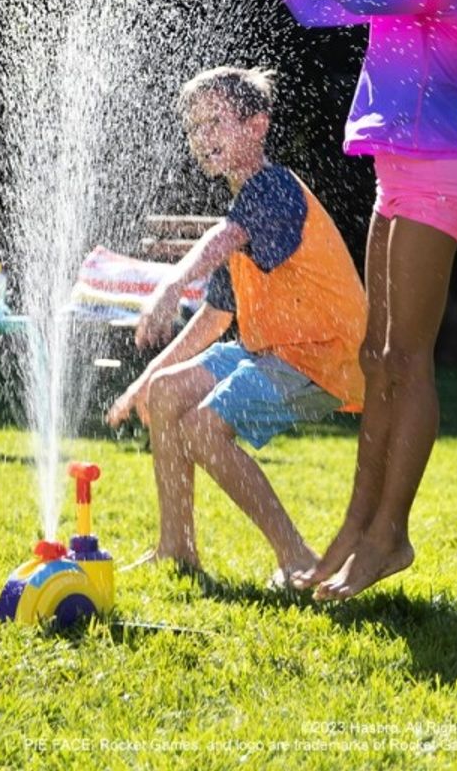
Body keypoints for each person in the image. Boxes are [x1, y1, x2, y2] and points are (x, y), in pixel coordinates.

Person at [194, 0, 457, 599]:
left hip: (437, 185)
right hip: (395, 186)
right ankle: (355, 530)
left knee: (407, 361)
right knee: (376, 361)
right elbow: (316, 6)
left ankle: (388, 536)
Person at [106, 67, 366, 587]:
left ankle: (297, 557)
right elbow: (215, 318)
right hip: (273, 352)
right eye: (195, 127)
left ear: (257, 126)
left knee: (203, 428)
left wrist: (171, 284)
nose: (203, 137)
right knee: (166, 391)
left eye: (216, 122)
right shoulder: (245, 208)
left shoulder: (273, 188)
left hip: (321, 357)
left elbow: (221, 238)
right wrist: (142, 381)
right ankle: (176, 549)